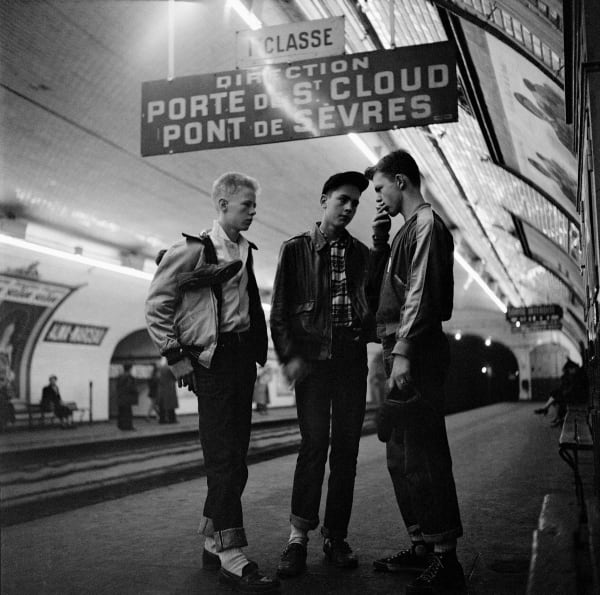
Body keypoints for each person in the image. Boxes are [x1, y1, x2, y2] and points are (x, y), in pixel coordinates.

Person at [145, 172, 279, 593]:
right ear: (222, 205)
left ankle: (211, 540)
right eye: (246, 205)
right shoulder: (191, 251)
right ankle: (232, 555)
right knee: (223, 457)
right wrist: (174, 356)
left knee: (234, 457)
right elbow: (157, 303)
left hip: (241, 360)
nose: (254, 212)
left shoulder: (245, 249)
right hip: (212, 362)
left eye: (255, 205)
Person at [365, 150, 465, 594]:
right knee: (401, 458)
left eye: (381, 189)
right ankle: (422, 545)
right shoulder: (405, 231)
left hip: (415, 350)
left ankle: (446, 559)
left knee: (424, 456)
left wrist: (402, 351)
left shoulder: (426, 224)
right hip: (398, 348)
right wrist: (381, 244)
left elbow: (421, 292)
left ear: (401, 181)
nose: (378, 198)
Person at [270, 171, 377, 578]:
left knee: (346, 451)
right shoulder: (296, 250)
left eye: (355, 203)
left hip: (350, 362)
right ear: (324, 200)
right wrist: (289, 357)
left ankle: (335, 537)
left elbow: (371, 307)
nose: (349, 207)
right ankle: (298, 538)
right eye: (343, 200)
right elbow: (279, 312)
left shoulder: (363, 254)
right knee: (314, 446)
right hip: (313, 363)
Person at [534, 358, 588, 426]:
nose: (570, 372)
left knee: (558, 398)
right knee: (556, 395)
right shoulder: (578, 374)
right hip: (577, 396)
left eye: (569, 370)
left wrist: (565, 393)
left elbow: (575, 389)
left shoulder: (579, 375)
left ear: (573, 368)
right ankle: (551, 411)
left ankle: (550, 411)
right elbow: (572, 388)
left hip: (579, 399)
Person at [157, 357, 179, 424]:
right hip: (170, 387)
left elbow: (158, 378)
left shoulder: (160, 368)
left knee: (162, 404)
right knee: (171, 405)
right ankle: (172, 419)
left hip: (162, 388)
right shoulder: (170, 368)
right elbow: (175, 377)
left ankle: (162, 419)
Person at [116, 364, 138, 430]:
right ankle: (128, 426)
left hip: (120, 397)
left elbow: (117, 386)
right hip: (127, 398)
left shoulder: (120, 376)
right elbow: (130, 387)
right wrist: (135, 391)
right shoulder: (129, 377)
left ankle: (121, 426)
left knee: (121, 412)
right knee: (128, 413)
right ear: (130, 369)